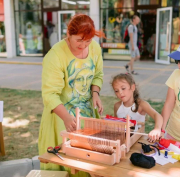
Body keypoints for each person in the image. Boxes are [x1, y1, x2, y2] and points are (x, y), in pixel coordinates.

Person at [38, 14, 105, 176]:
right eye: (79, 41)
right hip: (62, 117)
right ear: (68, 34)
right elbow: (50, 95)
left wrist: (95, 93)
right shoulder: (55, 56)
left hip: (87, 114)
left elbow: (98, 75)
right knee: (67, 161)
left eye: (87, 41)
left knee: (91, 163)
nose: (83, 46)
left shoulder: (95, 48)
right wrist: (67, 118)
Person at [111, 73, 163, 142]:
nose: (120, 92)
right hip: (123, 142)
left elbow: (157, 115)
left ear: (132, 87)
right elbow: (117, 125)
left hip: (139, 142)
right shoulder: (117, 106)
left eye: (123, 88)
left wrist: (157, 129)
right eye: (116, 91)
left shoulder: (141, 104)